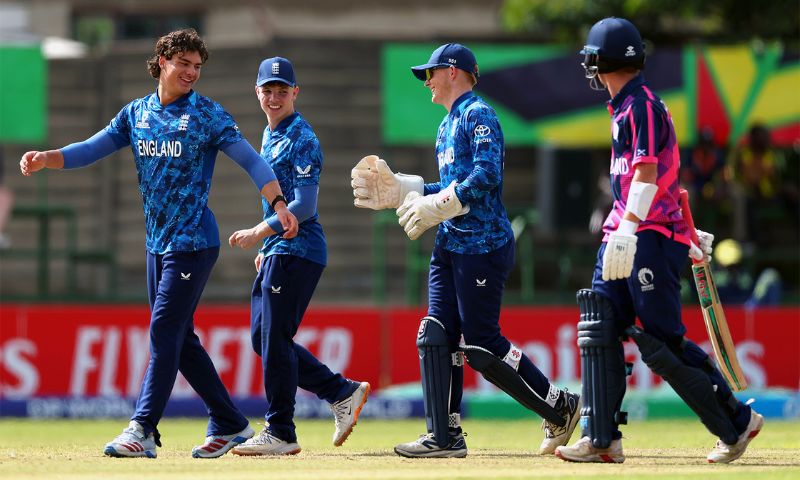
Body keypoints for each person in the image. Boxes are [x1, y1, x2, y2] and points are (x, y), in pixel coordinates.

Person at [19, 28, 299, 459]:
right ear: (162, 62)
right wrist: (47, 158)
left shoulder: (206, 114)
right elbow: (92, 149)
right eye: (183, 63)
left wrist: (278, 202)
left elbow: (250, 158)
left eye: (197, 67)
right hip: (158, 245)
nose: (191, 72)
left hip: (194, 243)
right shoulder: (136, 113)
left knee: (164, 330)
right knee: (180, 339)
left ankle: (143, 428)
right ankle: (229, 421)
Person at [351, 43, 580, 458]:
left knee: (481, 345)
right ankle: (444, 436)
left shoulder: (479, 115)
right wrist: (408, 189)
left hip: (482, 246)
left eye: (431, 73)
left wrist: (437, 205)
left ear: (453, 71)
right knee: (435, 334)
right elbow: (454, 183)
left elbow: (486, 176)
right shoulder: (446, 124)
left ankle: (559, 406)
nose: (426, 82)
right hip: (450, 243)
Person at [555, 17, 763, 464]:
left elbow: (648, 173)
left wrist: (633, 230)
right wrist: (651, 229)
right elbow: (662, 180)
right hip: (627, 231)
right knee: (599, 325)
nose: (588, 67)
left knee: (662, 343)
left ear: (602, 61)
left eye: (591, 59)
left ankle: (737, 424)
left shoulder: (642, 104)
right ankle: (602, 438)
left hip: (645, 235)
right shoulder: (623, 107)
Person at [226, 57, 370, 456]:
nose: (274, 98)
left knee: (274, 339)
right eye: (267, 90)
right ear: (257, 92)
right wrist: (269, 244)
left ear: (295, 93)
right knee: (264, 339)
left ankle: (281, 430)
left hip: (299, 249)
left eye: (281, 91)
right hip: (281, 249)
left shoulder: (301, 137)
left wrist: (260, 233)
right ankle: (340, 392)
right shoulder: (269, 134)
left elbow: (304, 206)